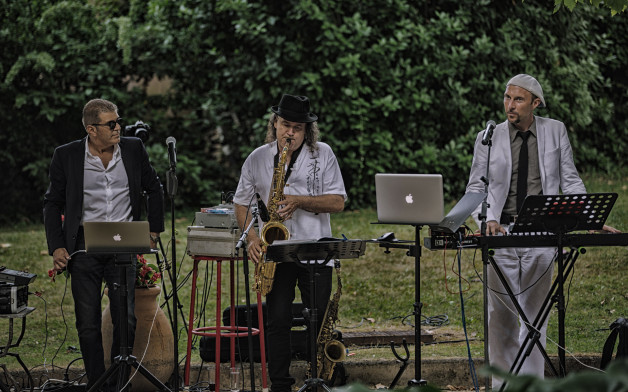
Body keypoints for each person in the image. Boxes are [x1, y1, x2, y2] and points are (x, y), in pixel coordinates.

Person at [466, 74, 620, 388]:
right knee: (501, 316)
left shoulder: (555, 130)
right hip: (502, 234)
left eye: (518, 99)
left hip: (543, 234)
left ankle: (531, 385)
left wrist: (587, 217)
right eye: (507, 98)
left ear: (536, 102)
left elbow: (571, 179)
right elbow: (475, 186)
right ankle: (501, 387)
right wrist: (487, 220)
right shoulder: (489, 135)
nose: (510, 105)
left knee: (536, 317)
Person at [43, 98, 165, 391]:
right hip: (85, 243)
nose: (118, 127)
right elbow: (52, 202)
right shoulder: (67, 155)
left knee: (127, 319)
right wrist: (57, 247)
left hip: (124, 240)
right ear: (91, 129)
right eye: (111, 124)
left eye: (118, 121)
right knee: (87, 323)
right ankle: (99, 384)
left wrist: (154, 231)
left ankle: (119, 384)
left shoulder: (134, 149)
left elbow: (154, 188)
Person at [234, 94, 346, 392]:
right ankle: (280, 384)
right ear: (275, 124)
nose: (290, 133)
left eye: (298, 127)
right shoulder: (258, 157)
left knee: (319, 322)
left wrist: (300, 201)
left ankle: (318, 379)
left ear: (307, 130)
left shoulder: (323, 154)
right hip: (276, 250)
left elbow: (337, 201)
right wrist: (253, 238)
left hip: (317, 249)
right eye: (286, 125)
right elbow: (241, 204)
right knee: (277, 321)